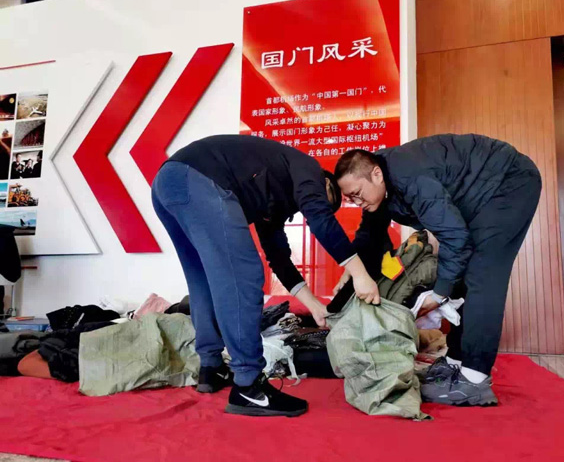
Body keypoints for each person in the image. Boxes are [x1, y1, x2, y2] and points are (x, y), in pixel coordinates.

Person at [152, 134, 379, 417]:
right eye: (322, 198)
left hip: (167, 183)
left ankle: (211, 368)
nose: (311, 205)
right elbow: (321, 219)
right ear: (324, 183)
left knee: (203, 280)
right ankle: (249, 386)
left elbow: (279, 259)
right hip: (198, 179)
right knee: (244, 274)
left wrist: (314, 306)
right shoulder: (308, 168)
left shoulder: (272, 198)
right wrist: (360, 274)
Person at [334, 133, 542, 406]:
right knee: (464, 274)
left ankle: (474, 380)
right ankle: (456, 363)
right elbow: (370, 238)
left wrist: (438, 295)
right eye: (351, 198)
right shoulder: (378, 189)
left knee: (483, 274)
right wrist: (352, 272)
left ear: (376, 174)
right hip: (480, 194)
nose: (357, 202)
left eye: (358, 194)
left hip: (508, 181)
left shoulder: (409, 176)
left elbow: (455, 237)